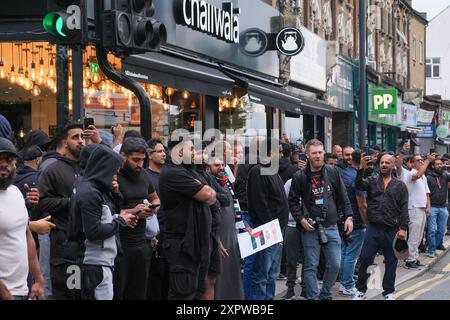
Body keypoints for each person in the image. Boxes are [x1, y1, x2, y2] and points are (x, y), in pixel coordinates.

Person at [288, 139, 353, 300]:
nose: (318, 156)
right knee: (311, 266)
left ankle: (325, 294)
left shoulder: (333, 171)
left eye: (320, 152)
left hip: (331, 226)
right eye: (314, 153)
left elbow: (343, 196)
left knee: (335, 264)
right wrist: (301, 219)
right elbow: (292, 201)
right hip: (310, 228)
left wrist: (349, 216)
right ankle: (313, 297)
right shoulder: (299, 176)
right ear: (307, 155)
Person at [72, 144, 137, 300]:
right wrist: (120, 221)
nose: (115, 176)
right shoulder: (90, 193)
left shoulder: (86, 188)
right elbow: (93, 232)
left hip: (85, 263)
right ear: (104, 169)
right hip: (93, 265)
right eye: (114, 172)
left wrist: (117, 218)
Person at [159, 138, 216, 300]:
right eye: (191, 149)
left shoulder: (188, 170)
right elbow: (207, 194)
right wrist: (206, 193)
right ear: (180, 152)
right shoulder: (173, 172)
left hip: (196, 243)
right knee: (183, 294)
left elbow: (213, 195)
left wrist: (207, 193)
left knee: (197, 292)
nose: (194, 152)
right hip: (182, 245)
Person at [353, 153, 409, 300]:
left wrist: (403, 228)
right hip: (373, 228)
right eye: (382, 162)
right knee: (365, 259)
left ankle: (388, 291)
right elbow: (358, 185)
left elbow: (404, 208)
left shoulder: (400, 185)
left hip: (392, 230)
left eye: (387, 163)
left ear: (392, 165)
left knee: (391, 261)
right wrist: (361, 169)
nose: (384, 164)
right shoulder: (371, 181)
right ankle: (360, 290)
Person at [114, 137, 160, 300]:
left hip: (142, 243)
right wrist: (134, 212)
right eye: (135, 160)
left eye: (142, 160)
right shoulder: (114, 178)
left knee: (139, 293)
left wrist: (152, 209)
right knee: (119, 292)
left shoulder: (144, 176)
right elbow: (108, 212)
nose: (140, 164)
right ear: (123, 156)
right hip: (120, 245)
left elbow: (156, 199)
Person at [0, 137, 45, 300]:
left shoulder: (16, 193)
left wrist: (38, 279)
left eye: (8, 159)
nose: (4, 164)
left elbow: (26, 236)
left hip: (22, 290)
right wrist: (4, 293)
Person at [247, 137, 289, 300]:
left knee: (272, 273)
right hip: (268, 230)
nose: (281, 154)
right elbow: (259, 204)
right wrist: (272, 229)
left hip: (277, 229)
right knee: (262, 274)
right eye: (278, 151)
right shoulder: (257, 171)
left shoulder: (272, 170)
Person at [210, 156, 244, 300]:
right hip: (218, 235)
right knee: (219, 276)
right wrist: (216, 239)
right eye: (217, 165)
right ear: (208, 168)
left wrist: (243, 225)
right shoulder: (209, 187)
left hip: (231, 233)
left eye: (223, 165)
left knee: (232, 272)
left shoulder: (226, 182)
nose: (221, 168)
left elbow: (235, 204)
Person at [397, 143, 433, 268]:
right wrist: (428, 161)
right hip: (413, 208)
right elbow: (416, 175)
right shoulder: (408, 174)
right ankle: (410, 259)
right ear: (411, 164)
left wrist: (428, 206)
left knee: (419, 236)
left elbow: (427, 193)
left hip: (422, 208)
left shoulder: (423, 176)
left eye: (422, 160)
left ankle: (415, 256)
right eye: (418, 161)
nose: (421, 162)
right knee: (413, 235)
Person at [338, 147, 367, 296]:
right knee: (351, 255)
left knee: (344, 253)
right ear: (362, 159)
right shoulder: (357, 177)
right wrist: (366, 222)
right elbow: (362, 203)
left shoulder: (343, 173)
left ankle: (344, 283)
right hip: (355, 220)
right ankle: (348, 284)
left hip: (343, 219)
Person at [145, 139, 169, 300]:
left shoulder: (169, 175)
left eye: (164, 151)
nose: (163, 154)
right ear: (149, 154)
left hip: (171, 234)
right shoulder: (145, 176)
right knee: (154, 282)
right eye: (159, 151)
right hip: (154, 235)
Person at [426, 158, 450, 257]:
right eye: (437, 164)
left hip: (443, 207)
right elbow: (426, 194)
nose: (440, 166)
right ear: (432, 166)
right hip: (433, 207)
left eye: (441, 164)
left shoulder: (445, 175)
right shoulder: (428, 177)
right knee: (431, 230)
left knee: (441, 231)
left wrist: (446, 167)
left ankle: (432, 247)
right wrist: (428, 206)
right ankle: (431, 250)